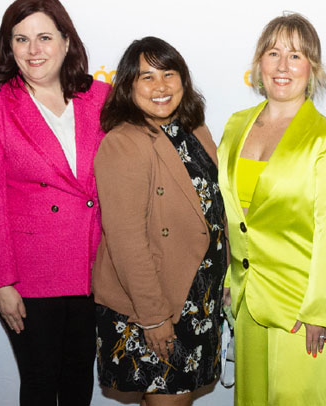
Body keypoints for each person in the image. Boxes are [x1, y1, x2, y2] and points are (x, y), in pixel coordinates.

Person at [0, 0, 110, 405]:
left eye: (44, 37)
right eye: (21, 39)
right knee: (42, 384)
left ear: (66, 41)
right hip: (31, 276)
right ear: (8, 47)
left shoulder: (100, 97)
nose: (34, 50)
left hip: (94, 268)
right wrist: (2, 282)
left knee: (80, 381)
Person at [216, 13, 326, 405]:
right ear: (259, 63)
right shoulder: (235, 125)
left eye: (295, 56)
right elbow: (235, 216)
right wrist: (231, 276)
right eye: (273, 53)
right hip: (246, 299)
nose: (282, 66)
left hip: (299, 307)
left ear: (311, 68)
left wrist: (317, 310)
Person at [92, 37, 227, 404]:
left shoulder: (195, 130)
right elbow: (126, 241)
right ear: (128, 85)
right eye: (147, 77)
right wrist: (153, 317)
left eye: (169, 74)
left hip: (198, 297)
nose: (161, 87)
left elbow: (214, 209)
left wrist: (225, 275)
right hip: (156, 302)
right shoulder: (123, 143)